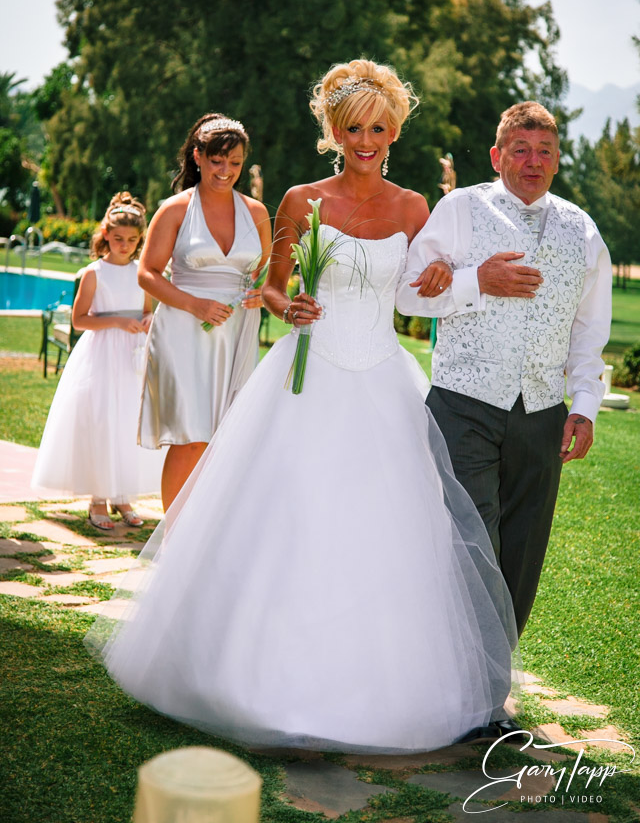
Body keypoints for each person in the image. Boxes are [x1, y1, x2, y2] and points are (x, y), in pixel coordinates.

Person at [88, 60, 517, 754]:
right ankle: (258, 680)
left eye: (380, 127)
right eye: (355, 128)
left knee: (390, 529)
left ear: (395, 131)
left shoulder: (415, 208)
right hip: (307, 380)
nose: (367, 139)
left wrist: (456, 278)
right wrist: (293, 305)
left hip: (381, 380)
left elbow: (413, 299)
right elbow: (275, 288)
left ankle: (385, 690)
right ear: (335, 132)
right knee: (293, 516)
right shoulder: (299, 201)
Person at [396, 101, 612, 641]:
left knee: (522, 550)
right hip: (463, 404)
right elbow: (407, 295)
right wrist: (474, 281)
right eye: (521, 150)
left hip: (542, 414)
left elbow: (589, 332)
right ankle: (462, 679)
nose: (533, 162)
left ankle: (494, 678)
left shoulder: (583, 231)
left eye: (545, 151)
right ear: (497, 156)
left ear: (559, 159)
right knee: (472, 539)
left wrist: (584, 407)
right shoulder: (460, 210)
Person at [137, 114, 271, 511]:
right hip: (183, 327)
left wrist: (262, 294)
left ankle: (206, 538)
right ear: (198, 156)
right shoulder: (175, 209)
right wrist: (195, 304)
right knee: (191, 435)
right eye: (216, 160)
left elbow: (266, 278)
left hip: (238, 332)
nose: (225, 171)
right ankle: (174, 542)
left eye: (234, 162)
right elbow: (146, 274)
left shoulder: (258, 213)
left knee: (226, 436)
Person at [32, 192, 164, 530]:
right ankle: (98, 499)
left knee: (127, 424)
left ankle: (123, 497)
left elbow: (148, 311)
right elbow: (79, 320)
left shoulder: (142, 273)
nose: (125, 246)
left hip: (132, 358)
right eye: (118, 239)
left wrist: (146, 321)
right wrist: (118, 322)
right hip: (102, 354)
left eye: (133, 240)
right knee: (102, 421)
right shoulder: (94, 272)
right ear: (106, 234)